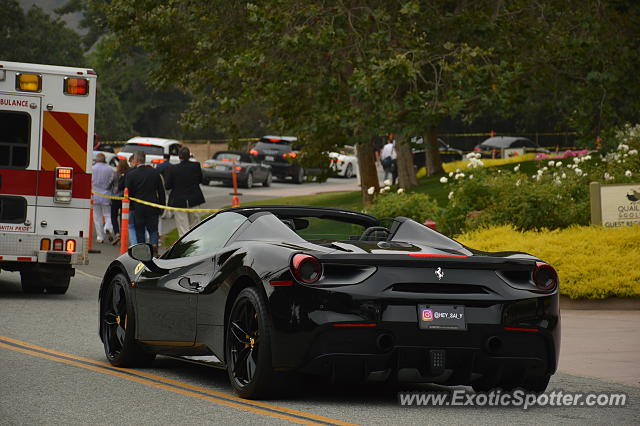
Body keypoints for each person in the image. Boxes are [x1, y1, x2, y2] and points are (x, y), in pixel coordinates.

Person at [124, 151, 165, 254]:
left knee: (140, 230)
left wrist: (132, 207)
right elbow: (161, 191)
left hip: (138, 208)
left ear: (136, 160)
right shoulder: (154, 173)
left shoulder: (131, 174)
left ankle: (143, 250)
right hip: (153, 205)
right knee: (153, 229)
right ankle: (154, 245)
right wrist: (162, 206)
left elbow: (129, 194)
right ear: (144, 159)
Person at [165, 147, 205, 237]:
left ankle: (185, 247)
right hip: (194, 198)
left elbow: (167, 186)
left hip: (179, 200)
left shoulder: (173, 169)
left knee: (183, 228)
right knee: (195, 226)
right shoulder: (196, 166)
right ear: (189, 156)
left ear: (179, 156)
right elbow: (200, 180)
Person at [92, 152, 114, 243]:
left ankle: (100, 237)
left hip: (95, 195)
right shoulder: (110, 169)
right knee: (108, 214)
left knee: (97, 217)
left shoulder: (92, 168)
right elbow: (112, 181)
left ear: (96, 159)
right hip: (106, 195)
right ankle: (107, 227)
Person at [109, 159, 130, 245]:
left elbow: (109, 184)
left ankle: (117, 233)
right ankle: (123, 234)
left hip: (115, 197)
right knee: (123, 217)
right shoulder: (128, 174)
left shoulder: (115, 173)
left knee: (113, 216)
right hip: (124, 198)